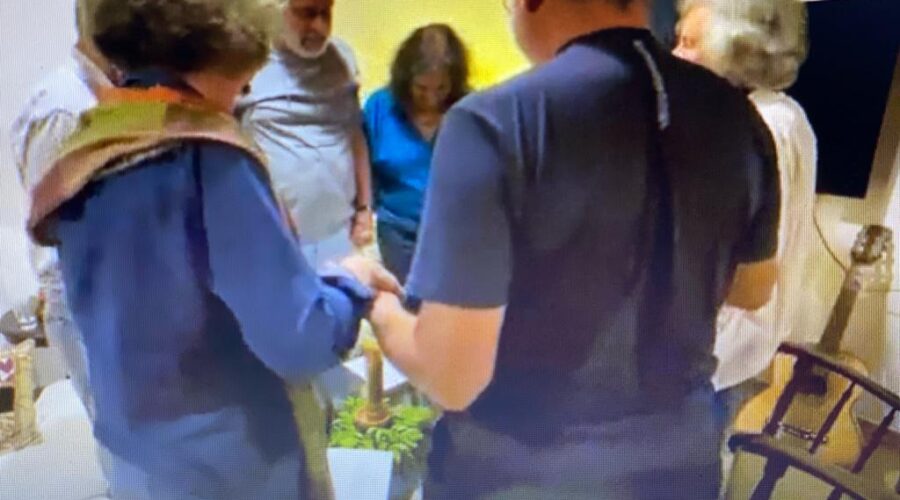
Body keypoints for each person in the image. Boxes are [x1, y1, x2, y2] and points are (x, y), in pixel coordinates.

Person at [369, 0, 781, 498]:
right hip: (677, 464)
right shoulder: (740, 116)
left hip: (517, 470)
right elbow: (753, 288)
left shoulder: (494, 121)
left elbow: (454, 377)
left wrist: (379, 305)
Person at [26, 1, 399, 498]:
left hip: (143, 462)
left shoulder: (81, 155)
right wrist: (349, 282)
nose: (243, 94)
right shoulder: (210, 160)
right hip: (236, 468)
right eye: (243, 80)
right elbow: (297, 340)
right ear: (219, 44)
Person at [674, 0, 816, 405]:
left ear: (740, 48)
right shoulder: (782, 114)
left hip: (717, 353)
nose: (676, 56)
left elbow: (743, 277)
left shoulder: (762, 128)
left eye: (689, 43)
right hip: (728, 349)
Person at [9, 0, 117, 420]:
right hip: (86, 306)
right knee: (129, 452)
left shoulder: (99, 95)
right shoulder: (65, 108)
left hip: (108, 302)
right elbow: (56, 232)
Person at [239, 0, 374, 270]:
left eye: (326, 13)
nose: (320, 26)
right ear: (277, 11)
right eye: (307, 14)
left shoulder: (343, 59)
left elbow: (354, 134)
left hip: (339, 235)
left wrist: (364, 210)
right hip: (274, 238)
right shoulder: (246, 63)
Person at [363, 24, 471, 283]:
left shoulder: (471, 109)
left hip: (455, 231)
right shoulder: (380, 106)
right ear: (405, 78)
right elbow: (364, 166)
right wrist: (364, 210)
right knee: (406, 304)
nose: (431, 98)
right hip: (397, 231)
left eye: (441, 88)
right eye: (421, 88)